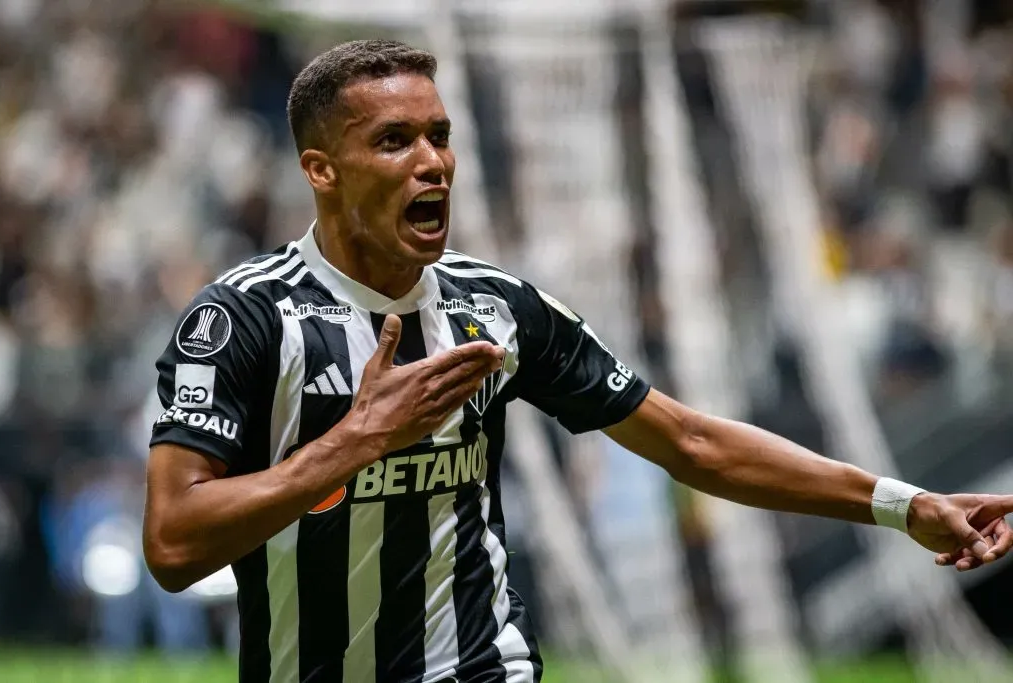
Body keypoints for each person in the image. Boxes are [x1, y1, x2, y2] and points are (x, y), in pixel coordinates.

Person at [143, 39, 1013, 683]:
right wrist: (351, 442)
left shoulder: (496, 309)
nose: (433, 163)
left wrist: (906, 504)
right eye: (396, 141)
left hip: (483, 669)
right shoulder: (244, 318)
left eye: (440, 136)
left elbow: (692, 443)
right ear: (321, 171)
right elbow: (174, 543)